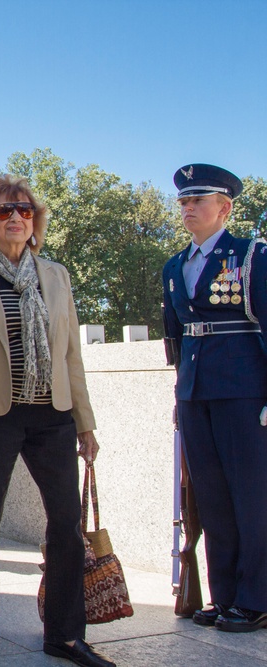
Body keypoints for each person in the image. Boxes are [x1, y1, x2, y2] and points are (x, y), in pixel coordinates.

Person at [0, 174, 113, 667]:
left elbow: (70, 355)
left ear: (34, 220)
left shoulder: (57, 276)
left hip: (52, 414)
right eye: (3, 211)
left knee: (66, 522)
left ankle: (64, 633)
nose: (15, 216)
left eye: (23, 209)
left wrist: (84, 422)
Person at [162, 164, 267, 633]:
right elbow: (176, 337)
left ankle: (257, 598)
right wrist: (181, 391)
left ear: (224, 208)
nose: (187, 208)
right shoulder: (173, 266)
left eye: (197, 201)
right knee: (212, 499)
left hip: (244, 391)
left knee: (252, 496)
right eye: (183, 202)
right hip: (195, 392)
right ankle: (225, 596)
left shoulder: (251, 256)